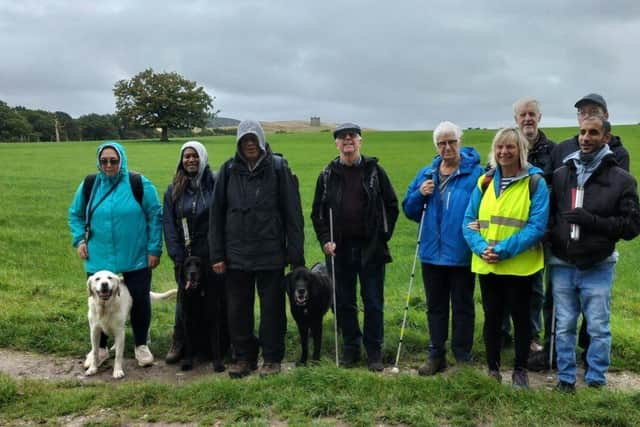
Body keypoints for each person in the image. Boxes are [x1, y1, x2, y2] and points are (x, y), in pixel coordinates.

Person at [548, 115, 640, 392]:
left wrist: (591, 221)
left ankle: (596, 380)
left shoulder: (621, 180)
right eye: (582, 132)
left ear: (606, 137)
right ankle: (565, 379)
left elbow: (632, 226)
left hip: (598, 265)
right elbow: (550, 215)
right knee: (563, 325)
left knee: (598, 327)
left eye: (593, 133)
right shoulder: (562, 174)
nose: (585, 138)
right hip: (563, 264)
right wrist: (554, 236)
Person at [209, 120, 305, 378]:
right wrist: (217, 254)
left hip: (270, 253)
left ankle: (272, 359)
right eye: (244, 140)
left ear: (261, 142)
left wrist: (295, 255)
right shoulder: (228, 170)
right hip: (236, 254)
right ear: (238, 143)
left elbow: (292, 213)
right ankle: (244, 358)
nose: (249, 144)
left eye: (254, 139)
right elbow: (216, 215)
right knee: (238, 310)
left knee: (272, 310)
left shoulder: (278, 168)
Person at [462, 128, 549, 389]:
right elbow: (469, 221)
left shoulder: (535, 183)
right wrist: (480, 248)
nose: (504, 152)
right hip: (487, 265)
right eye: (499, 147)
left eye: (510, 147)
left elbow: (536, 226)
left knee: (522, 320)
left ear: (521, 150)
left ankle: (520, 370)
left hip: (519, 266)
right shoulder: (485, 182)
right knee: (492, 319)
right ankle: (493, 369)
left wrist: (501, 249)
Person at [311, 122, 399, 372]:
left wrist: (383, 236)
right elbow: (317, 213)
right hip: (338, 250)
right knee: (343, 301)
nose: (348, 140)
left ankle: (374, 351)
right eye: (342, 137)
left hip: (371, 248)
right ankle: (351, 347)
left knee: (372, 301)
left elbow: (391, 205)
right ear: (336, 143)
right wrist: (325, 240)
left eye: (353, 136)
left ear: (360, 141)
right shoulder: (327, 175)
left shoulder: (375, 171)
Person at [69, 141, 162, 367]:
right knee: (97, 301)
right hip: (99, 255)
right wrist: (80, 239)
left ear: (121, 160)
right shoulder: (90, 185)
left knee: (139, 300)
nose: (109, 165)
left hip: (135, 254)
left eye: (113, 160)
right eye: (104, 161)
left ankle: (140, 345)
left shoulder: (139, 183)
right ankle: (99, 349)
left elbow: (155, 217)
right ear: (99, 162)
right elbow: (75, 214)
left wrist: (154, 248)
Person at [402, 121, 483, 375]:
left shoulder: (476, 174)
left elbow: (484, 209)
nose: (447, 147)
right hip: (430, 253)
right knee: (435, 307)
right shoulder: (426, 174)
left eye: (452, 142)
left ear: (460, 142)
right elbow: (410, 210)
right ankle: (436, 355)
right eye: (442, 143)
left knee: (462, 307)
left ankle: (462, 358)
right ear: (436, 146)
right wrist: (419, 194)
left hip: (460, 252)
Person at [163, 141, 229, 370]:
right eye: (186, 157)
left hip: (211, 255)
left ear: (203, 157)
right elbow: (169, 225)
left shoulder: (215, 184)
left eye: (195, 156)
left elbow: (223, 217)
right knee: (185, 301)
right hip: (185, 256)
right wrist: (176, 255)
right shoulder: (174, 189)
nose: (190, 160)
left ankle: (217, 348)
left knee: (215, 302)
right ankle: (179, 342)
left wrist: (220, 251)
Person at [503, 97, 556, 355]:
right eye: (522, 115)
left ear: (539, 117)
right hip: (505, 231)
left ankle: (532, 336)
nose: (527, 119)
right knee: (501, 285)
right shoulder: (505, 147)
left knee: (535, 288)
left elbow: (555, 193)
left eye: (531, 114)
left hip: (538, 233)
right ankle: (502, 334)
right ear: (516, 119)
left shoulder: (553, 152)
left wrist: (543, 231)